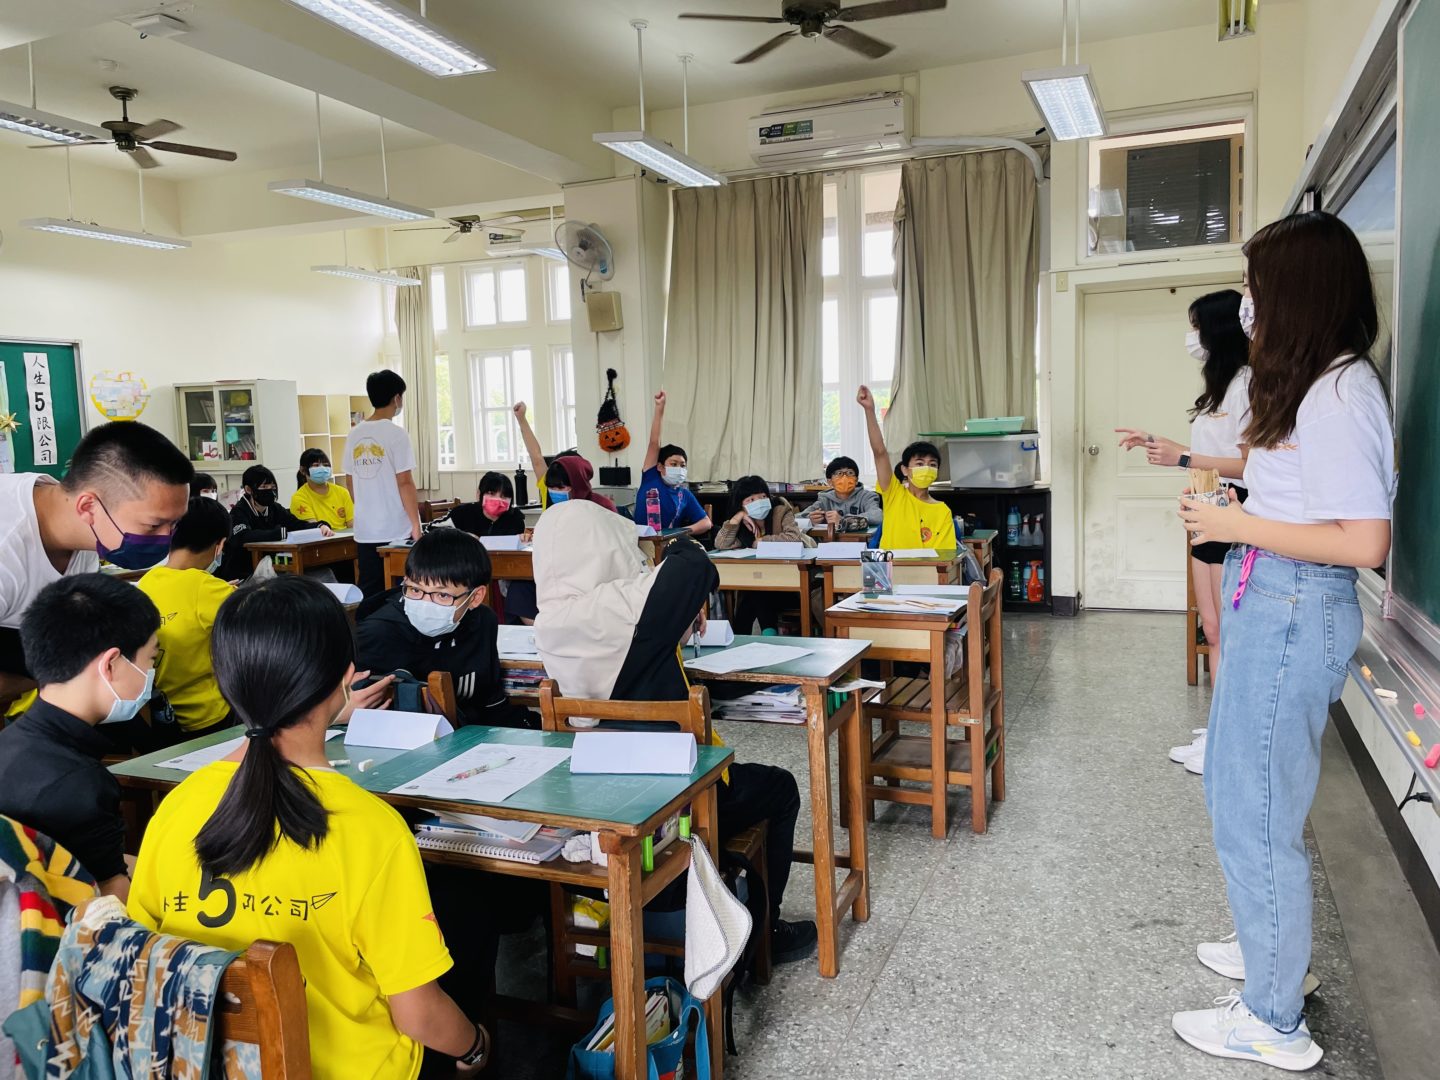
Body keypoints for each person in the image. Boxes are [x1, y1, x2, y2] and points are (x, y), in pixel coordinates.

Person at [1172, 212, 1392, 1071]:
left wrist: (1237, 523)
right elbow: (1300, 498)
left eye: (1255, 286)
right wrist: (1241, 512)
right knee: (1247, 797)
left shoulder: (1338, 394)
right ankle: (1273, 959)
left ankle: (1272, 1018)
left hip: (1296, 602)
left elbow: (1364, 540)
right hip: (1274, 593)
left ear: (1296, 292)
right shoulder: (1312, 384)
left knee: (1254, 811)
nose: (1247, 304)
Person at [128, 576, 489, 1079]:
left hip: (208, 1063)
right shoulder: (370, 828)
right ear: (346, 679)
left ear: (225, 681)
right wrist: (476, 1048)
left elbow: (146, 958)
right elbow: (419, 1015)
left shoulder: (177, 805)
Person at [532, 501, 818, 964]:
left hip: (595, 796)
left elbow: (642, 642)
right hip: (669, 799)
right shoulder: (615, 608)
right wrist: (678, 546)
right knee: (780, 787)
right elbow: (693, 565)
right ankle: (767, 931)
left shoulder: (551, 619)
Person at [1116, 289, 1251, 773]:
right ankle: (1220, 727)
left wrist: (1185, 458)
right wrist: (1158, 443)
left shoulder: (1248, 384)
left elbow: (1253, 464)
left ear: (1218, 329)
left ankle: (1229, 740)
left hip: (1235, 509)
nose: (1192, 336)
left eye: (1197, 326)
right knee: (1211, 627)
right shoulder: (1219, 386)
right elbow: (1209, 452)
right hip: (1206, 506)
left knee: (1229, 633)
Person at [0, 421, 190, 711]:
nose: (166, 539)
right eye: (153, 525)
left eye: (174, 524)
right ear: (88, 507)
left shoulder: (81, 525)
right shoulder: (7, 547)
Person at [0, 574, 161, 899]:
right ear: (111, 664)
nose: (151, 673)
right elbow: (111, 896)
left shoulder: (9, 741)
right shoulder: (81, 784)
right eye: (151, 659)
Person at [356, 529, 530, 728]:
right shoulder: (378, 632)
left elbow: (492, 702)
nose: (425, 603)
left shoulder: (483, 622)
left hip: (470, 734)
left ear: (475, 597)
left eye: (442, 595)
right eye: (415, 590)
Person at [137, 498, 235, 742]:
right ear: (220, 545)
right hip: (209, 717)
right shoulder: (207, 587)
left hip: (159, 720)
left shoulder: (145, 583)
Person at [348, 370, 422, 598]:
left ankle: (367, 622)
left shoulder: (354, 434)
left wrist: (365, 509)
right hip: (395, 529)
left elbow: (350, 480)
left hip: (365, 529)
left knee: (370, 590)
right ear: (396, 398)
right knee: (400, 589)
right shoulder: (396, 434)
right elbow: (405, 482)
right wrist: (415, 524)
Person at [858, 386, 956, 551]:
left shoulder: (942, 511)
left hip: (924, 567)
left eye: (932, 464)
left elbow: (943, 556)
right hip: (890, 566)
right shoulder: (894, 494)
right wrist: (869, 410)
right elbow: (879, 452)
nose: (926, 468)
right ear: (905, 470)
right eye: (919, 463)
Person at [714, 475, 806, 633]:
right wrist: (738, 517)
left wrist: (762, 541)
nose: (759, 502)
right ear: (741, 504)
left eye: (763, 497)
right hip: (755, 584)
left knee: (756, 593)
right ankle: (768, 633)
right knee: (756, 590)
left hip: (788, 584)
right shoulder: (742, 524)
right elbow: (721, 544)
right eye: (751, 500)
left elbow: (794, 538)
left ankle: (741, 637)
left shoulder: (780, 510)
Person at [217, 464, 331, 582]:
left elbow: (296, 524)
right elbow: (243, 536)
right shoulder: (239, 511)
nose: (269, 490)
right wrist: (277, 534)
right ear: (248, 490)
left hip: (273, 567)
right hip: (244, 573)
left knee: (324, 573)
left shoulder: (274, 508)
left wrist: (319, 526)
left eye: (272, 486)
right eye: (264, 487)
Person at [632, 391, 712, 537]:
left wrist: (681, 531)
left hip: (668, 543)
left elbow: (706, 523)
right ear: (660, 467)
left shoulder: (684, 494)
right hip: (640, 542)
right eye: (673, 464)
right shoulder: (651, 478)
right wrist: (659, 408)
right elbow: (654, 442)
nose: (679, 469)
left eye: (682, 465)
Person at [808, 455, 882, 534]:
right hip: (830, 540)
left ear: (856, 480)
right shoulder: (825, 499)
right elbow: (800, 517)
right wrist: (810, 520)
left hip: (861, 540)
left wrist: (843, 520)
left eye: (850, 473)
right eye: (839, 473)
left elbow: (878, 516)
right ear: (830, 482)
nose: (845, 477)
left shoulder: (867, 496)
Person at [290, 448, 355, 532]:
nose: (322, 469)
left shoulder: (342, 492)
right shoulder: (299, 498)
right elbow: (313, 529)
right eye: (316, 465)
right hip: (320, 539)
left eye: (326, 465)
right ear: (303, 470)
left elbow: (352, 525)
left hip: (345, 538)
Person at [447, 471, 527, 539]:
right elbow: (439, 531)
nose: (497, 499)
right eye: (491, 493)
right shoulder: (461, 513)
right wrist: (461, 537)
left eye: (504, 496)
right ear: (479, 494)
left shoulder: (516, 518)